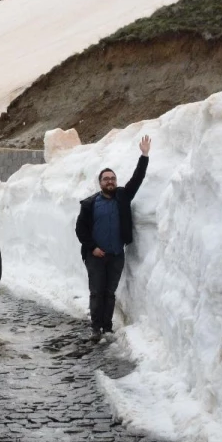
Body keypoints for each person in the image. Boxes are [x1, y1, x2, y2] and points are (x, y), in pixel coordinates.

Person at [74, 135, 151, 342]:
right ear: (100, 183)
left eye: (113, 179)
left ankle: (107, 327)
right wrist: (92, 248)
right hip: (95, 255)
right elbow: (80, 230)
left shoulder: (123, 196)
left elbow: (138, 178)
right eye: (106, 179)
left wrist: (144, 155)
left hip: (116, 254)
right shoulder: (90, 204)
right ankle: (96, 327)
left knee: (110, 292)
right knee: (96, 292)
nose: (110, 181)